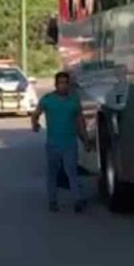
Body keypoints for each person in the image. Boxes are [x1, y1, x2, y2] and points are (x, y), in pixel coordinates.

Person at [31, 71, 93, 213]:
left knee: (72, 172)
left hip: (70, 143)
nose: (63, 86)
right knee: (52, 173)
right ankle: (52, 201)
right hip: (53, 144)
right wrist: (35, 124)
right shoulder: (47, 100)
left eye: (66, 83)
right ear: (55, 84)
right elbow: (35, 114)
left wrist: (85, 140)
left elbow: (80, 123)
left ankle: (77, 200)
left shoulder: (74, 101)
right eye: (61, 83)